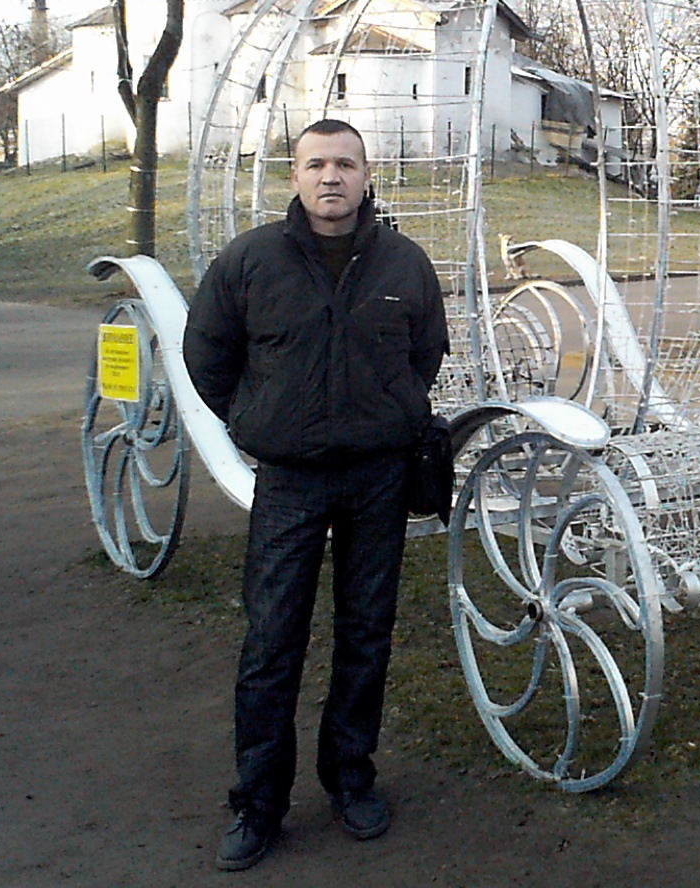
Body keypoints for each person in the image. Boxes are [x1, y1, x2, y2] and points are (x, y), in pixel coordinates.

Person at [184, 119, 448, 873]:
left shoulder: (404, 262)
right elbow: (207, 351)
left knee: (366, 634)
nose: (331, 177)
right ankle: (258, 802)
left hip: (377, 476)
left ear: (367, 176)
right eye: (316, 164)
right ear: (294, 175)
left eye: (345, 164)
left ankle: (351, 778)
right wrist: (254, 419)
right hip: (291, 480)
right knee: (272, 641)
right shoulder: (251, 261)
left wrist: (388, 408)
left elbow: (425, 351)